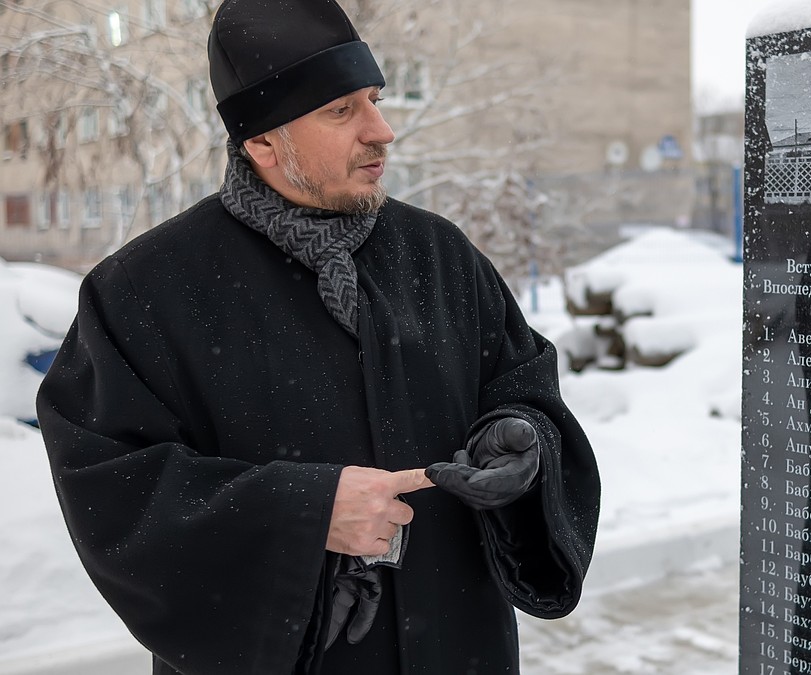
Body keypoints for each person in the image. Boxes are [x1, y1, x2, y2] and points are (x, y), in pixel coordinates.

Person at [35, 0, 600, 673]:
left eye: (375, 99)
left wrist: (520, 439)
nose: (382, 130)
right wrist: (304, 514)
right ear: (263, 141)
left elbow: (526, 387)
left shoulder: (439, 255)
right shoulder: (142, 291)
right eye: (341, 110)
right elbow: (114, 488)